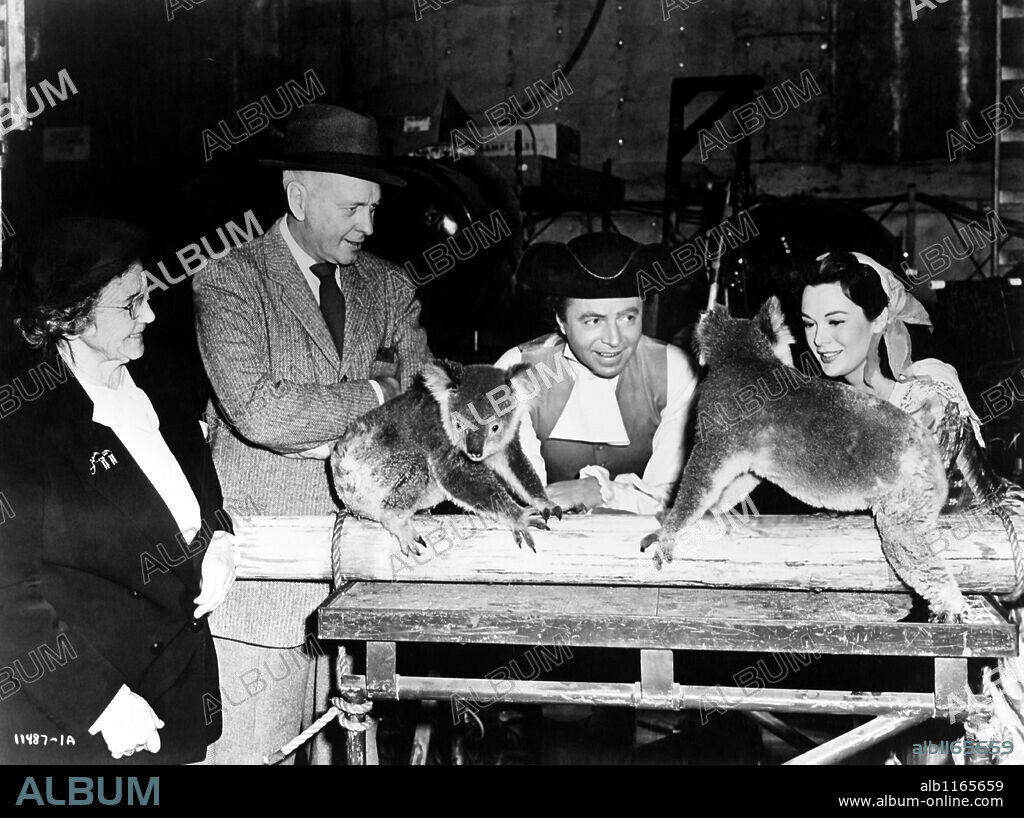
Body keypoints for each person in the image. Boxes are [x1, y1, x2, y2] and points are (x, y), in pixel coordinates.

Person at [192, 104, 432, 764]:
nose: (369, 225)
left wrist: (322, 427)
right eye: (353, 208)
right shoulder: (229, 281)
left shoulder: (391, 287)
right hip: (260, 604)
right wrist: (379, 395)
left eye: (375, 208)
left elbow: (425, 414)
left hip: (364, 597)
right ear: (297, 195)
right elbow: (261, 414)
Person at [0, 217, 235, 764]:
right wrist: (101, 704)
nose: (150, 315)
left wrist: (220, 540)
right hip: (88, 723)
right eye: (130, 304)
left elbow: (206, 497)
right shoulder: (23, 428)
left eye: (148, 296)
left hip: (177, 699)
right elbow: (7, 599)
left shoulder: (165, 387)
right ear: (71, 315)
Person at [495, 233, 698, 516]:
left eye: (628, 318)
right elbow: (525, 502)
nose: (614, 339)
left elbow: (672, 500)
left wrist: (600, 492)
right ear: (561, 321)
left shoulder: (674, 370)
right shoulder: (517, 372)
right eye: (593, 321)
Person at [799, 250, 1014, 506]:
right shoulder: (833, 403)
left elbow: (922, 511)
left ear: (879, 319)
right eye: (809, 324)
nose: (818, 340)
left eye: (835, 321)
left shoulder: (927, 400)